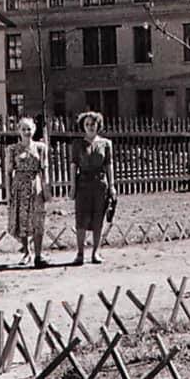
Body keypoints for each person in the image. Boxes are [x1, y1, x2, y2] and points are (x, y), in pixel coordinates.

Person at [70, 111, 116, 264]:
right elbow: (73, 166)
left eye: (93, 124)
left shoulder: (106, 144)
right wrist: (72, 186)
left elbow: (109, 165)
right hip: (83, 184)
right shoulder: (77, 144)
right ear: (83, 126)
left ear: (98, 125)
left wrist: (112, 186)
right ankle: (80, 253)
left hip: (100, 184)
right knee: (81, 219)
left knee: (98, 219)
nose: (90, 127)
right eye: (87, 124)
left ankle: (96, 252)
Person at [4, 117, 50, 267]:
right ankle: (26, 252)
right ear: (18, 131)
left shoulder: (41, 147)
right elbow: (8, 172)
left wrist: (46, 188)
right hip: (19, 187)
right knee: (22, 219)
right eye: (23, 129)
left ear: (34, 130)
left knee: (38, 219)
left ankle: (38, 255)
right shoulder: (12, 149)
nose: (26, 132)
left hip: (35, 186)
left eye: (29, 129)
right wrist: (8, 193)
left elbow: (45, 169)